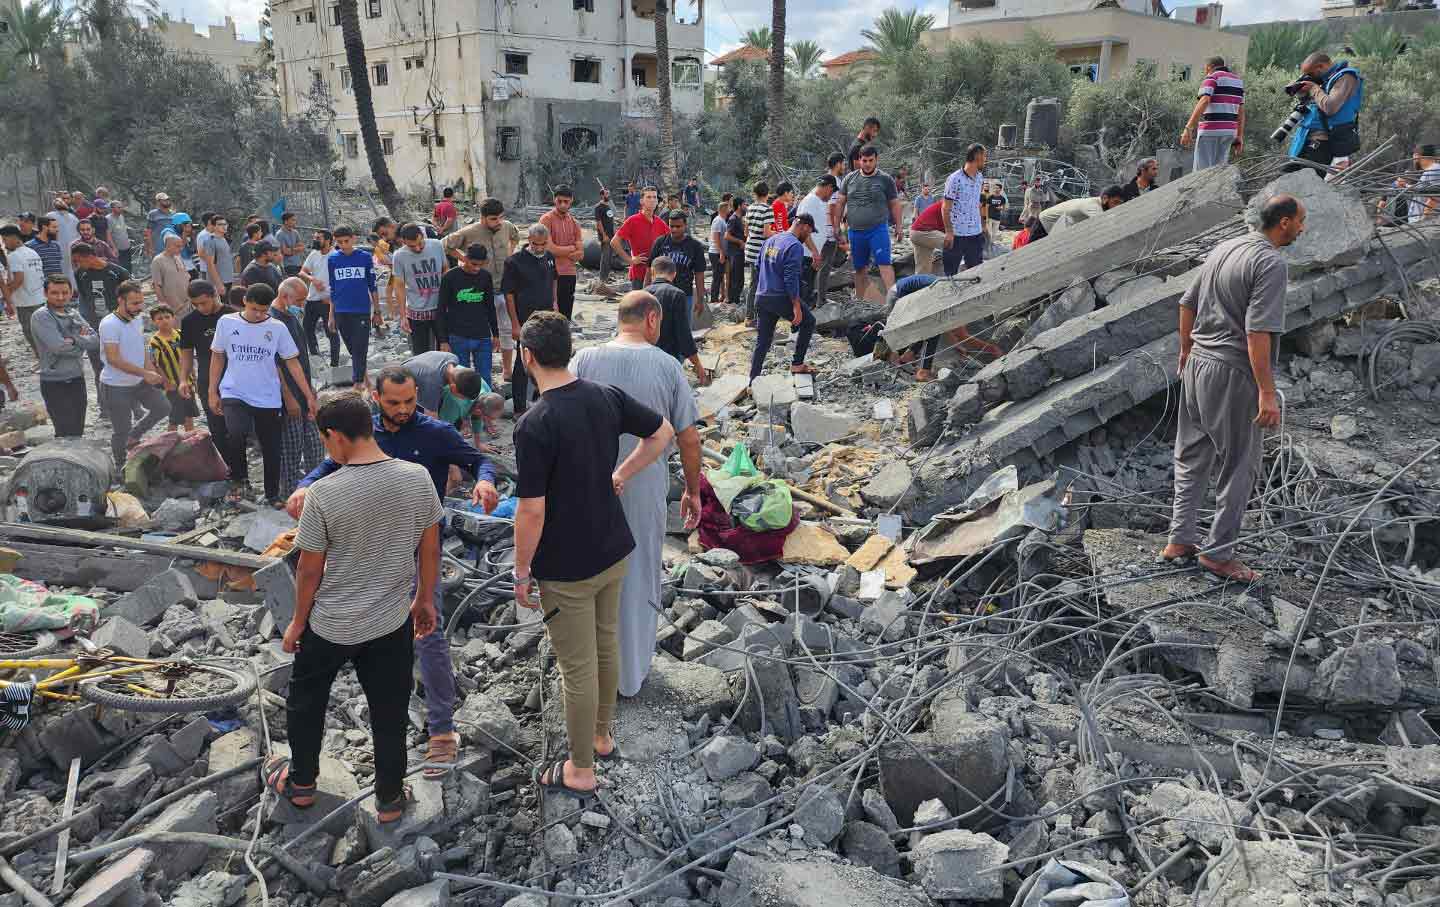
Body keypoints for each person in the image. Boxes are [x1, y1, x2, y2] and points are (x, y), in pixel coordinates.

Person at [287, 368, 496, 778]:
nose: (402, 410)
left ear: (418, 394)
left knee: (429, 634)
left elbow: (478, 460)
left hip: (417, 549)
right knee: (385, 648)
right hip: (369, 550)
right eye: (393, 403)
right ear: (375, 398)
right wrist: (304, 485)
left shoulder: (434, 434)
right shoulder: (361, 431)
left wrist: (484, 482)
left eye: (409, 401)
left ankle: (441, 731)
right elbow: (328, 467)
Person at [512, 312, 674, 793]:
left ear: (527, 357)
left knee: (575, 668)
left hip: (567, 565)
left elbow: (532, 511)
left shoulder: (534, 423)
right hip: (613, 547)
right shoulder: (604, 396)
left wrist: (521, 571)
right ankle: (601, 736)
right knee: (605, 645)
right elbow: (662, 433)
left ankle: (581, 768)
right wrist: (623, 472)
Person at [268, 392, 442, 824]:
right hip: (390, 621)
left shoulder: (324, 494)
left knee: (306, 701)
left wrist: (296, 623)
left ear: (334, 436)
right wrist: (423, 598)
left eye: (325, 441)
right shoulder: (417, 477)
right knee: (389, 709)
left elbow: (310, 568)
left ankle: (302, 785)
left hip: (331, 624)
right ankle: (389, 799)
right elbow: (430, 546)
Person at [1160, 194, 1305, 583]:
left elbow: (1186, 302)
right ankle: (1219, 554)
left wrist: (1187, 349)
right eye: (1301, 221)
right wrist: (1267, 392)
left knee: (1191, 455)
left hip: (1197, 366)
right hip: (1232, 372)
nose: (1303, 228)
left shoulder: (1225, 247)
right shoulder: (1270, 262)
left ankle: (1179, 539)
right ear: (1285, 222)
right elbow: (1257, 331)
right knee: (1240, 464)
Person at [571, 292, 701, 697]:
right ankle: (630, 677)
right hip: (643, 483)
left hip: (589, 483)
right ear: (651, 320)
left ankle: (590, 673)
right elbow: (689, 437)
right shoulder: (666, 365)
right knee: (640, 571)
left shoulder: (584, 359)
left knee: (588, 572)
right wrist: (693, 492)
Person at [209, 283, 316, 504]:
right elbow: (217, 356)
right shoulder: (227, 323)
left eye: (263, 310)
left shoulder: (277, 327)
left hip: (267, 395)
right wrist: (212, 390)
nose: (258, 315)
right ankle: (239, 481)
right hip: (234, 390)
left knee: (271, 446)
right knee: (236, 433)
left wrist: (308, 395)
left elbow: (292, 362)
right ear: (245, 301)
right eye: (254, 309)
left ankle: (272, 494)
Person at [443, 198, 520, 381]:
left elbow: (515, 237)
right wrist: (465, 260)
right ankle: (471, 376)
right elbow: (446, 244)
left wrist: (510, 254)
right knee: (482, 334)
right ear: (483, 218)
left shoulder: (507, 227)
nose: (498, 222)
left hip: (506, 288)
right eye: (494, 219)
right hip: (482, 291)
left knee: (507, 329)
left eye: (500, 217)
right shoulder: (470, 232)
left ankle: (507, 371)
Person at [99, 281, 170, 467]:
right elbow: (113, 359)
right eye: (135, 303)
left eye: (141, 302)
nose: (140, 308)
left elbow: (142, 346)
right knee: (121, 429)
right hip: (115, 385)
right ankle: (121, 466)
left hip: (139, 381)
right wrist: (144, 373)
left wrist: (150, 369)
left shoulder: (137, 318)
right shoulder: (109, 324)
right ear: (120, 301)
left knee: (163, 407)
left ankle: (135, 435)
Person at [749, 214, 818, 381]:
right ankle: (797, 364)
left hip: (762, 295)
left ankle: (753, 379)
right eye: (809, 232)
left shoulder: (770, 241)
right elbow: (790, 277)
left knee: (763, 341)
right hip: (780, 297)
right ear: (804, 226)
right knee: (809, 321)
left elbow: (758, 267)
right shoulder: (795, 246)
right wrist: (795, 305)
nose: (808, 236)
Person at [179, 280, 237, 477]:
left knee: (238, 427)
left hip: (236, 377)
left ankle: (243, 468)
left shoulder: (232, 315)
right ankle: (229, 470)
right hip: (207, 380)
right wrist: (183, 379)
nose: (200, 308)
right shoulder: (189, 322)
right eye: (196, 304)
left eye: (204, 303)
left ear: (214, 294)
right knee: (217, 428)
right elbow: (186, 353)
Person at [502, 224, 558, 416]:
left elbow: (554, 281)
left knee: (546, 359)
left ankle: (541, 401)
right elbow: (508, 295)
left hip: (547, 318)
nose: (540, 248)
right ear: (529, 240)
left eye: (543, 244)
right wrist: (515, 324)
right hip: (525, 320)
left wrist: (555, 305)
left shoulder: (549, 257)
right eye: (536, 244)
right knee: (522, 362)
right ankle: (519, 408)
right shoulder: (514, 262)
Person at [32, 276, 98, 437]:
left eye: (64, 292)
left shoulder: (72, 312)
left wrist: (73, 339)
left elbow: (95, 340)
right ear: (45, 293)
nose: (60, 297)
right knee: (64, 432)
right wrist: (81, 342)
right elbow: (58, 347)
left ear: (70, 293)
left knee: (78, 430)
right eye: (55, 293)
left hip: (76, 378)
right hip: (55, 382)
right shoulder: (42, 316)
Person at [836, 146, 902, 300]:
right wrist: (836, 226)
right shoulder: (849, 179)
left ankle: (894, 301)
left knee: (884, 264)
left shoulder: (885, 179)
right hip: (855, 231)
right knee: (859, 268)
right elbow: (840, 203)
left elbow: (894, 203)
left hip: (878, 229)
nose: (867, 164)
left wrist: (899, 226)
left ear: (876, 159)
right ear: (859, 160)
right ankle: (860, 302)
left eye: (870, 160)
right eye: (864, 160)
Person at [1285, 52, 1363, 171]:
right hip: (1305, 137)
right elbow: (1315, 105)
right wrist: (1302, 92)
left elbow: (1330, 107)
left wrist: (1313, 88)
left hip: (1323, 141)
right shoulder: (1325, 79)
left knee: (1307, 183)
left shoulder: (1346, 77)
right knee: (1287, 178)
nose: (1309, 76)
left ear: (1320, 67)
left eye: (1310, 73)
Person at [327, 225, 381, 387]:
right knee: (353, 350)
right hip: (341, 311)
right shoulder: (332, 259)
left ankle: (357, 385)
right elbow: (333, 288)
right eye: (339, 242)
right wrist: (331, 315)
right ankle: (367, 383)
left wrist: (377, 311)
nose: (343, 245)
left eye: (346, 241)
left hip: (361, 311)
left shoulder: (365, 257)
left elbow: (373, 285)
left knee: (360, 348)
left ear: (353, 239)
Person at [438, 244, 498, 380]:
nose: (477, 268)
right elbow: (441, 310)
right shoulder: (450, 277)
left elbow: (490, 307)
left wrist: (496, 334)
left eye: (481, 265)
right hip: (458, 336)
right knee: (460, 380)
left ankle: (484, 401)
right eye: (474, 264)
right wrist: (443, 340)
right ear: (465, 258)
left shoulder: (485, 277)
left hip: (482, 335)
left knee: (485, 377)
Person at [643, 257, 706, 384]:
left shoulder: (643, 294)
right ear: (674, 274)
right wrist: (698, 365)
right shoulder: (677, 294)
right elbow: (683, 334)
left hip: (644, 359)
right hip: (668, 359)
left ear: (653, 272)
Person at [1181, 57, 1245, 171]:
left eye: (1205, 69)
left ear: (1209, 67)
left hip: (1210, 130)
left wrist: (1189, 127)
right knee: (1219, 171)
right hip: (1229, 132)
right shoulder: (1238, 82)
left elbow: (1205, 100)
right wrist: (1239, 136)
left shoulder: (1212, 78)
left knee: (1202, 171)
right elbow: (1241, 110)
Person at [391, 223, 447, 354]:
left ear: (422, 235)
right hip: (416, 312)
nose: (417, 248)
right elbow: (399, 286)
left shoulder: (436, 245)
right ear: (403, 242)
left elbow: (445, 270)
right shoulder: (399, 256)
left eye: (420, 244)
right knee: (421, 354)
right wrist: (403, 316)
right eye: (412, 246)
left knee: (445, 352)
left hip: (440, 308)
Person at [148, 304, 197, 432]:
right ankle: (169, 444)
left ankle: (191, 442)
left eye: (167, 317)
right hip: (172, 386)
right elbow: (155, 364)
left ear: (173, 318)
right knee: (175, 418)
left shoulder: (181, 335)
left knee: (189, 414)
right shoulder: (154, 342)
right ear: (153, 322)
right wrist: (165, 382)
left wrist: (194, 377)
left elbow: (189, 357)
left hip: (187, 382)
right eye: (159, 318)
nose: (164, 320)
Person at [940, 143, 987, 277]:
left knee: (976, 273)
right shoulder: (955, 179)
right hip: (957, 235)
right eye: (984, 156)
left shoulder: (979, 177)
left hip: (975, 234)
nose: (985, 160)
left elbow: (977, 203)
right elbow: (945, 208)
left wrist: (983, 225)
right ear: (977, 157)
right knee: (950, 275)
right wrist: (949, 232)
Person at [539, 187, 584, 320]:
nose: (563, 204)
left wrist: (566, 250)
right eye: (560, 201)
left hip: (569, 273)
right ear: (554, 200)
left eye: (566, 201)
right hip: (550, 272)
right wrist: (571, 248)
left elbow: (580, 254)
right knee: (550, 313)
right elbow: (550, 249)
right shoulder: (546, 220)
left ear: (571, 201)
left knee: (566, 314)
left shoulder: (575, 223)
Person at [613, 186, 667, 292]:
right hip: (639, 274)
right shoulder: (633, 220)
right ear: (642, 201)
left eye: (654, 197)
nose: (652, 200)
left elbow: (671, 241)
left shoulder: (660, 222)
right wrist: (630, 260)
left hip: (657, 275)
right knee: (639, 307)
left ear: (657, 201)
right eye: (648, 197)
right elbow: (614, 242)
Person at [648, 210, 706, 307]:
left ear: (685, 225)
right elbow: (649, 269)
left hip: (684, 294)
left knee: (683, 321)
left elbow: (699, 274)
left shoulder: (695, 246)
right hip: (660, 294)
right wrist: (646, 293)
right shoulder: (660, 242)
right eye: (671, 226)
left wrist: (700, 299)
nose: (674, 229)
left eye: (678, 226)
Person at [2, 224, 45, 353]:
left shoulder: (13, 256)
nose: (4, 244)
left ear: (14, 238)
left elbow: (18, 280)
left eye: (5, 240)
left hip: (26, 302)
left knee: (31, 334)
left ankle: (44, 362)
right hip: (40, 299)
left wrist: (6, 296)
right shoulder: (33, 252)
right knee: (43, 334)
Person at [300, 229, 339, 365]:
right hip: (312, 299)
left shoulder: (335, 255)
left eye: (318, 238)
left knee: (331, 332)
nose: (315, 240)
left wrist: (333, 297)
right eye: (315, 237)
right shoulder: (314, 254)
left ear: (328, 240)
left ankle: (335, 364)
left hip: (327, 301)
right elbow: (303, 272)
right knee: (307, 329)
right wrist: (312, 279)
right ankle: (317, 359)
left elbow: (340, 280)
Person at [741, 182, 775, 321]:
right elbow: (767, 233)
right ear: (767, 193)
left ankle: (753, 314)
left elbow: (746, 231)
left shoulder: (750, 208)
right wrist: (779, 233)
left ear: (755, 193)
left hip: (750, 249)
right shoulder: (767, 209)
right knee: (759, 283)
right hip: (762, 250)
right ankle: (752, 316)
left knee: (754, 282)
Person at [1038, 185, 1127, 236]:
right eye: (1115, 202)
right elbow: (1107, 225)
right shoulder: (1093, 206)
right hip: (1044, 223)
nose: (1117, 206)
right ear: (1105, 199)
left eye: (1120, 203)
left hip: (1056, 226)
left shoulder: (1098, 205)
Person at [197, 214, 237, 293]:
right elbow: (210, 264)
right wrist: (218, 284)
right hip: (219, 282)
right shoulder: (210, 241)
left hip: (228, 279)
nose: (223, 226)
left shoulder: (224, 239)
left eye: (225, 224)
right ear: (214, 226)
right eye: (220, 224)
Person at [909, 198, 946, 277]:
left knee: (922, 270)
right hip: (923, 232)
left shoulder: (944, 202)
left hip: (915, 232)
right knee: (954, 245)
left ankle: (919, 287)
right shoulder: (950, 204)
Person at [723, 195, 747, 310]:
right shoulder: (733, 219)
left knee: (739, 277)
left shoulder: (740, 218)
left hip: (739, 253)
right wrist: (739, 242)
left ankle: (736, 299)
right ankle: (734, 300)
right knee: (736, 277)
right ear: (738, 206)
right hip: (734, 253)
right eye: (744, 205)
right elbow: (727, 236)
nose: (745, 207)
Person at [27, 216, 64, 286]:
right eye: (54, 227)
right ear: (44, 227)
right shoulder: (30, 246)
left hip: (58, 286)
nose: (57, 230)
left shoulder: (56, 245)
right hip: (41, 288)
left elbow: (58, 267)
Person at [707, 197, 731, 308]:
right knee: (717, 277)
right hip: (715, 252)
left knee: (720, 276)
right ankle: (713, 299)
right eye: (728, 208)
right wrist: (721, 252)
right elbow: (716, 237)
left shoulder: (722, 220)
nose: (730, 210)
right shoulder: (718, 220)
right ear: (723, 209)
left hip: (719, 252)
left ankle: (719, 296)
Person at [1408, 143, 1439, 223]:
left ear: (1417, 155)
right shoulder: (1431, 170)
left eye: (1414, 155)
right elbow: (1426, 190)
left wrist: (1423, 219)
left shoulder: (1434, 170)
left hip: (1422, 223)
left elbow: (1435, 197)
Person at [594, 189, 616, 285]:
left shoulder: (608, 206)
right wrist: (604, 235)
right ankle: (602, 278)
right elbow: (598, 223)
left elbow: (611, 219)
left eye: (609, 193)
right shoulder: (598, 207)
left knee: (610, 256)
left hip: (612, 234)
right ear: (602, 195)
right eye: (607, 193)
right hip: (605, 235)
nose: (608, 195)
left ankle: (607, 276)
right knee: (605, 256)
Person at [276, 211, 306, 277]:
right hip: (288, 266)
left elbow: (302, 247)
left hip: (299, 264)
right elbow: (285, 252)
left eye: (295, 220)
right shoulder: (280, 234)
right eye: (293, 220)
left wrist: (291, 249)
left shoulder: (295, 232)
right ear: (286, 221)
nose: (295, 222)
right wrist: (296, 248)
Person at [107, 200, 132, 273]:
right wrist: (114, 248)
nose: (121, 209)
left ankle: (130, 282)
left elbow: (122, 228)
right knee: (120, 268)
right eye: (119, 207)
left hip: (127, 247)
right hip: (118, 249)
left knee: (128, 266)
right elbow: (108, 235)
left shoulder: (121, 216)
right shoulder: (109, 219)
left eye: (121, 207)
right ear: (112, 208)